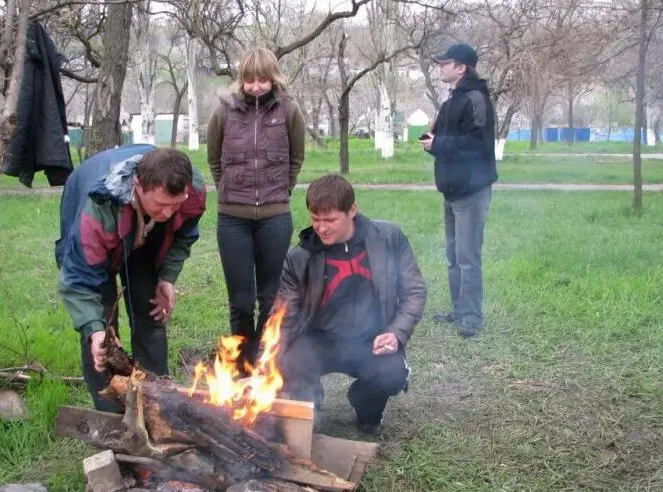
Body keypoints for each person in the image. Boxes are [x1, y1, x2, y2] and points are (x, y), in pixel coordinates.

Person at [56, 144, 206, 412]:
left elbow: (183, 237)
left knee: (150, 311)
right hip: (106, 230)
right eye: (161, 205)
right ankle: (111, 411)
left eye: (175, 205)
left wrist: (167, 278)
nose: (168, 213)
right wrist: (94, 328)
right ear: (137, 185)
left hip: (143, 239)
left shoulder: (190, 191)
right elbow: (79, 277)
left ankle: (155, 402)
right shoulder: (98, 208)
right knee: (102, 334)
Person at [274, 174, 426, 435]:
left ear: (352, 210)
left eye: (330, 220)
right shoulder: (299, 257)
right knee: (288, 362)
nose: (321, 229)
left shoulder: (387, 238)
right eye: (315, 219)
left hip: (370, 341)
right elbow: (284, 315)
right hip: (318, 340)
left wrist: (396, 333)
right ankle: (310, 410)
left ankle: (366, 405)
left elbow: (415, 290)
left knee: (392, 373)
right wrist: (270, 358)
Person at [207, 46, 306, 370]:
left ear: (273, 78)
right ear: (241, 80)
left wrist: (281, 191)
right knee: (241, 300)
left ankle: (265, 360)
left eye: (262, 80)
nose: (255, 87)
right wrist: (228, 190)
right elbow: (214, 159)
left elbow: (296, 158)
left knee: (269, 297)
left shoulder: (289, 110)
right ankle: (240, 364)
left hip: (275, 219)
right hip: (232, 219)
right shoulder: (223, 112)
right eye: (249, 80)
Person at [419, 43, 498, 338]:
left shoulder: (476, 98)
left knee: (467, 256)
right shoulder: (451, 101)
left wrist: (438, 145)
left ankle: (472, 317)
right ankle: (458, 309)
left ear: (461, 67)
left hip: (472, 191)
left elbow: (476, 145)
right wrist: (431, 141)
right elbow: (444, 139)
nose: (441, 67)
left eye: (445, 63)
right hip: (451, 190)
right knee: (453, 256)